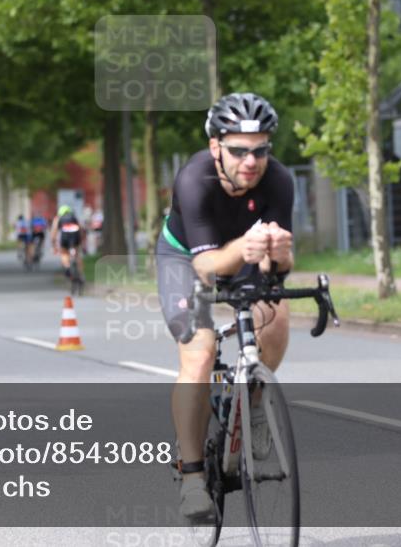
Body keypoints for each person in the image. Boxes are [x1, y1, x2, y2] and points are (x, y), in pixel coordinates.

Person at [155, 92, 294, 519]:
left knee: (274, 315)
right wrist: (251, 248)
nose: (250, 162)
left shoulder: (279, 181)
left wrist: (282, 256)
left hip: (245, 253)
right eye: (237, 151)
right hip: (187, 258)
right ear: (216, 147)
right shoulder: (195, 178)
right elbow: (206, 265)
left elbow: (275, 270)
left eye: (259, 151)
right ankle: (193, 476)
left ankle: (253, 408)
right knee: (199, 353)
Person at [51, 204, 84, 281]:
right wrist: (82, 240)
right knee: (77, 255)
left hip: (65, 237)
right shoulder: (74, 217)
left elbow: (54, 231)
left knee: (64, 253)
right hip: (75, 237)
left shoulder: (58, 218)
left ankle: (67, 267)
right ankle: (81, 274)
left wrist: (53, 243)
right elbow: (81, 229)